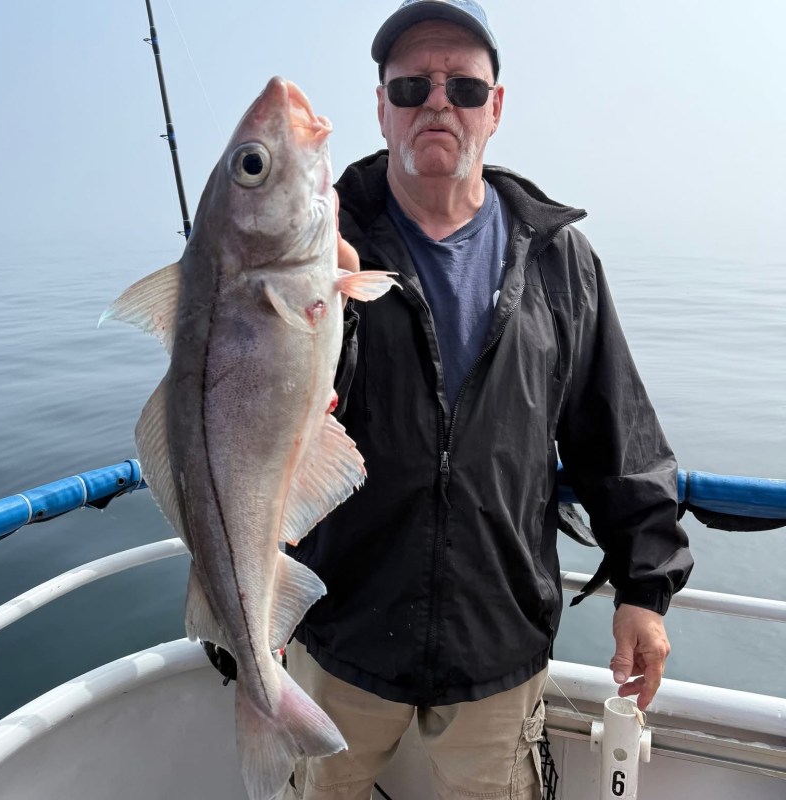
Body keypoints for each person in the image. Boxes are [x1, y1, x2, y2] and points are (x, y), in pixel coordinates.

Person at [276, 2, 694, 798]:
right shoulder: (320, 240)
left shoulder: (559, 258)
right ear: (381, 108)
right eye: (411, 87)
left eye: (464, 88)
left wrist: (645, 586)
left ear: (495, 109)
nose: (438, 102)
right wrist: (306, 288)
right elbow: (260, 397)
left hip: (497, 641)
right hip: (340, 631)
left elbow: (617, 431)